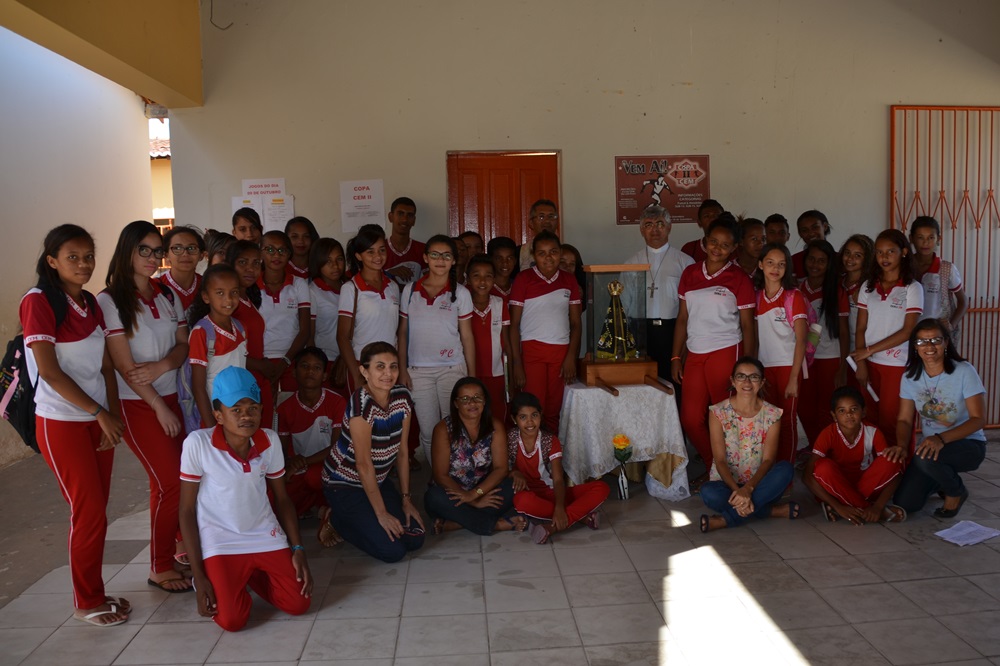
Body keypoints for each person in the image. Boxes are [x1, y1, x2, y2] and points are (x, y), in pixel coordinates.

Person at [20, 224, 129, 626]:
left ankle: (95, 591)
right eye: (72, 257)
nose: (83, 264)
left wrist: (111, 413)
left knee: (97, 512)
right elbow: (50, 372)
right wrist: (98, 412)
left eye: (88, 257)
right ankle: (87, 601)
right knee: (88, 513)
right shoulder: (37, 301)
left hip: (97, 420)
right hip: (61, 422)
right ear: (52, 261)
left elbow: (105, 364)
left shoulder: (89, 301)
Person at [178, 366, 312, 632]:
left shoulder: (269, 441)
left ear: (261, 410)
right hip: (220, 541)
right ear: (218, 415)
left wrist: (297, 549)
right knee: (232, 621)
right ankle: (232, 580)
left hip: (264, 534)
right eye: (236, 410)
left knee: (298, 603)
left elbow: (283, 499)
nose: (246, 416)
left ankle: (248, 576)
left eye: (252, 408)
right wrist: (200, 575)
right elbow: (186, 510)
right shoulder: (198, 443)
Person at [99, 221, 192, 593]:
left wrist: (162, 366)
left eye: (157, 251)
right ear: (127, 251)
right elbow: (125, 366)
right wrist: (158, 405)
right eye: (144, 250)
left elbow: (183, 346)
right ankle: (160, 566)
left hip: (174, 397)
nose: (153, 258)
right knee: (170, 482)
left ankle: (176, 548)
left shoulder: (168, 294)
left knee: (170, 480)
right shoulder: (110, 301)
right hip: (138, 404)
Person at [322, 342, 425, 562]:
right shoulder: (361, 406)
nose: (388, 373)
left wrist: (406, 499)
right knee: (392, 551)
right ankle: (337, 520)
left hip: (376, 480)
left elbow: (403, 451)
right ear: (364, 371)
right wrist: (381, 513)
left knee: (415, 538)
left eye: (393, 366)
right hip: (344, 484)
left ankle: (363, 515)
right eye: (380, 367)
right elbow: (363, 464)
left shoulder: (402, 397)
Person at [671, 216, 756, 474]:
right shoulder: (690, 273)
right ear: (705, 241)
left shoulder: (739, 278)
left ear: (734, 248)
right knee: (690, 418)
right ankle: (716, 468)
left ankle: (734, 472)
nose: (717, 248)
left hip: (726, 351)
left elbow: (748, 325)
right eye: (714, 242)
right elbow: (683, 318)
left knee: (726, 418)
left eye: (725, 245)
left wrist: (749, 367)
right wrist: (676, 357)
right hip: (695, 353)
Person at [894, 320, 987, 517]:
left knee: (925, 457)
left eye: (935, 340)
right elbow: (904, 420)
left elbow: (978, 419)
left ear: (946, 342)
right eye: (922, 341)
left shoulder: (964, 371)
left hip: (968, 444)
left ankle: (956, 492)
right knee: (905, 503)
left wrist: (940, 439)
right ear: (915, 346)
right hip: (932, 448)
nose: (929, 346)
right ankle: (940, 480)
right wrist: (901, 446)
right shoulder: (910, 376)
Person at [398, 235, 476, 465]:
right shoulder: (410, 291)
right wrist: (402, 369)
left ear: (454, 260)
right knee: (429, 431)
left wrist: (471, 375)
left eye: (446, 255)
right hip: (418, 373)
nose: (440, 260)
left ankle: (457, 473)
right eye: (435, 255)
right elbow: (402, 332)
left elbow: (467, 336)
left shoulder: (461, 293)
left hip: (452, 370)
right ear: (425, 258)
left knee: (455, 426)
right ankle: (438, 476)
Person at [699, 357, 797, 532]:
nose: (747, 382)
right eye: (741, 376)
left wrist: (749, 489)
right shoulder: (718, 412)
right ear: (732, 381)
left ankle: (726, 520)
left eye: (754, 377)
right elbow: (720, 460)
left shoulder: (772, 414)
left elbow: (768, 460)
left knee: (786, 469)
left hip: (760, 484)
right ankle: (770, 511)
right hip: (728, 486)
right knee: (708, 492)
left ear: (762, 382)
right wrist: (738, 491)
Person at [851, 229, 923, 450]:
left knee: (894, 421)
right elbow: (860, 328)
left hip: (898, 365)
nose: (884, 257)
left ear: (904, 252)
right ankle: (877, 466)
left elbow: (908, 331)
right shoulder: (868, 286)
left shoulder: (912, 288)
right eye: (879, 252)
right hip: (870, 364)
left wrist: (868, 351)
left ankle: (901, 466)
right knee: (871, 420)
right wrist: (862, 363)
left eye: (890, 251)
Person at [425, 378, 525, 535]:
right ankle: (495, 524)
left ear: (484, 401)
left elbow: (501, 469)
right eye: (465, 399)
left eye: (477, 397)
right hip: (452, 495)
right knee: (434, 497)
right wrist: (473, 501)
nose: (472, 403)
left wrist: (474, 494)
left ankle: (457, 523)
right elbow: (440, 476)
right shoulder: (443, 429)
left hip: (482, 490)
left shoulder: (495, 426)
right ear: (456, 403)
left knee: (514, 486)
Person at [507, 392, 609, 544]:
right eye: (523, 417)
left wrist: (560, 508)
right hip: (528, 494)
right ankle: (580, 517)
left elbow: (558, 479)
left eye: (534, 415)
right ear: (514, 419)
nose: (530, 422)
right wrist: (514, 473)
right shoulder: (510, 438)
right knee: (521, 501)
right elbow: (501, 469)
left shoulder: (549, 440)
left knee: (601, 488)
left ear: (540, 415)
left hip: (552, 492)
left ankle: (552, 527)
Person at [509, 230, 582, 434]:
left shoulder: (569, 280)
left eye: (553, 252)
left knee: (555, 408)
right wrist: (517, 364)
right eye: (541, 253)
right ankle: (533, 451)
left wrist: (571, 357)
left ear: (560, 253)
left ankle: (552, 449)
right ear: (534, 255)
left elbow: (576, 324)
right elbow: (514, 325)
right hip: (532, 352)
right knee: (533, 407)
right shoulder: (524, 279)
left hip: (561, 352)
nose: (548, 258)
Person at [803, 386, 906, 524]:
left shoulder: (873, 432)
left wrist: (878, 505)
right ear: (834, 416)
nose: (849, 414)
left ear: (863, 412)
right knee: (822, 467)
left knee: (892, 460)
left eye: (854, 409)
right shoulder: (828, 434)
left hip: (865, 486)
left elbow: (895, 473)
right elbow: (807, 476)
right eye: (842, 411)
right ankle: (870, 511)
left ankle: (853, 507)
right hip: (836, 486)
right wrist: (838, 507)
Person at [276, 347, 346, 545]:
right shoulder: (284, 409)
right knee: (279, 496)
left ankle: (327, 510)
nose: (310, 372)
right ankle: (322, 509)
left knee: (315, 477)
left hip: (331, 466)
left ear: (324, 375)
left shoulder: (337, 402)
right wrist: (289, 465)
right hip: (301, 468)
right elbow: (282, 451)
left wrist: (304, 461)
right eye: (304, 366)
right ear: (294, 372)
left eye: (316, 368)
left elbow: (338, 447)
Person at [623, 205, 694, 379]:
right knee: (642, 383)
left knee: (673, 383)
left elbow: (693, 308)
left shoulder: (685, 263)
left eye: (660, 224)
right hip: (640, 332)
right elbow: (624, 305)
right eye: (648, 225)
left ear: (669, 227)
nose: (655, 229)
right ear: (641, 230)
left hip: (673, 332)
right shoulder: (631, 263)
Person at [753, 243, 808, 466]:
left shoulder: (793, 296)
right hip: (765, 367)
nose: (775, 268)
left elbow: (801, 340)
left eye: (781, 264)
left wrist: (794, 377)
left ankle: (786, 472)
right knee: (768, 420)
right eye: (770, 262)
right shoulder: (757, 297)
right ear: (760, 265)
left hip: (788, 366)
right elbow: (755, 339)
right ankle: (770, 468)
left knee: (787, 420)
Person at [797, 239, 850, 444]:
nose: (815, 265)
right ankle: (815, 447)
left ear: (829, 264)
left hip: (830, 357)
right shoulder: (797, 288)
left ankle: (826, 449)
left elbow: (844, 332)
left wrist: (842, 367)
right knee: (804, 406)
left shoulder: (837, 291)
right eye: (811, 259)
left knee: (827, 407)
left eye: (821, 261)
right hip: (804, 359)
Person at [338, 225, 401, 394]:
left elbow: (396, 331)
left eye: (382, 250)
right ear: (359, 256)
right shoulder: (351, 288)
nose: (378, 256)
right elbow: (342, 337)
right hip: (363, 365)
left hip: (389, 366)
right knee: (364, 411)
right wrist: (357, 374)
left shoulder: (393, 286)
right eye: (370, 252)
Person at [186, 264, 248, 429]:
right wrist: (212, 427)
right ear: (206, 297)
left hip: (237, 412)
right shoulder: (202, 332)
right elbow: (198, 387)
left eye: (234, 292)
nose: (228, 299)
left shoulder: (240, 328)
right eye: (220, 293)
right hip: (214, 415)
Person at [227, 241, 277, 427]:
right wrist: (261, 365)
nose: (250, 269)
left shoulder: (248, 298)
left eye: (256, 263)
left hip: (257, 379)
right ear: (230, 264)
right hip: (241, 383)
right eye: (243, 262)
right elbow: (226, 351)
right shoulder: (229, 303)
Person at [258, 230, 311, 392]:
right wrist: (259, 363)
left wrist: (285, 361)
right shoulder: (252, 286)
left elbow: (305, 330)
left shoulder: (299, 284)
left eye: (282, 250)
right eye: (270, 249)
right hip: (261, 361)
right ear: (261, 252)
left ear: (289, 254)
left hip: (292, 359)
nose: (276, 255)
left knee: (290, 404)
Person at [466, 254, 511, 422]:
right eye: (476, 276)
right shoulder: (463, 304)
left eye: (488, 276)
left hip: (496, 372)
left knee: (496, 413)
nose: (482, 281)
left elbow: (506, 340)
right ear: (468, 279)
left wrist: (510, 374)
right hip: (469, 370)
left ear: (494, 279)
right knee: (472, 413)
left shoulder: (500, 303)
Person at [909, 216, 967, 337]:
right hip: (908, 332)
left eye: (931, 237)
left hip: (937, 333)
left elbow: (963, 301)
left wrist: (951, 325)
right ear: (911, 239)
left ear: (938, 239)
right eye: (920, 237)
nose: (925, 242)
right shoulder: (904, 267)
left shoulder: (946, 269)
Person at [307, 237, 345, 388]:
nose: (335, 266)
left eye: (339, 259)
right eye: (328, 261)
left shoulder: (350, 287)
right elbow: (309, 335)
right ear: (318, 262)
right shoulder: (313, 291)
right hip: (326, 361)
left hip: (349, 359)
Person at [839, 234, 875, 356]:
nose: (850, 258)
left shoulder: (870, 286)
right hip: (840, 348)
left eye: (857, 255)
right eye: (847, 253)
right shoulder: (838, 281)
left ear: (867, 259)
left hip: (865, 348)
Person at [158, 225, 205, 313]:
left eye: (192, 248)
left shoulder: (208, 286)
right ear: (166, 255)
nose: (185, 254)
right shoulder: (155, 287)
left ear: (201, 255)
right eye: (177, 248)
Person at [383, 196, 425, 284]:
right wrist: (388, 274)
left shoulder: (423, 250)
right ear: (390, 217)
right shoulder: (379, 249)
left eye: (410, 215)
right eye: (400, 213)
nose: (405, 219)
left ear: (414, 220)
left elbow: (432, 282)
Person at [517, 199, 560, 270]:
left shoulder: (566, 252)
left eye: (551, 216)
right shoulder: (519, 253)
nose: (547, 221)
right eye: (541, 217)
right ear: (531, 223)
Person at [791, 210, 832, 279]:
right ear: (800, 233)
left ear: (825, 226)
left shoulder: (840, 260)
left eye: (815, 227)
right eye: (804, 230)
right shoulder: (793, 261)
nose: (811, 233)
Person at [285, 216, 320, 280]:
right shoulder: (280, 268)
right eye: (294, 236)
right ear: (286, 239)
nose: (300, 241)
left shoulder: (321, 267)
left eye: (306, 236)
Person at [486, 236, 517, 302]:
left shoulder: (520, 286)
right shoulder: (483, 287)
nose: (505, 263)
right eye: (499, 258)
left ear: (515, 260)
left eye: (509, 258)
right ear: (491, 260)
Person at [559, 242, 587, 312]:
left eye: (572, 264)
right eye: (562, 262)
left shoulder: (577, 287)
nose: (567, 267)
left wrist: (580, 297)